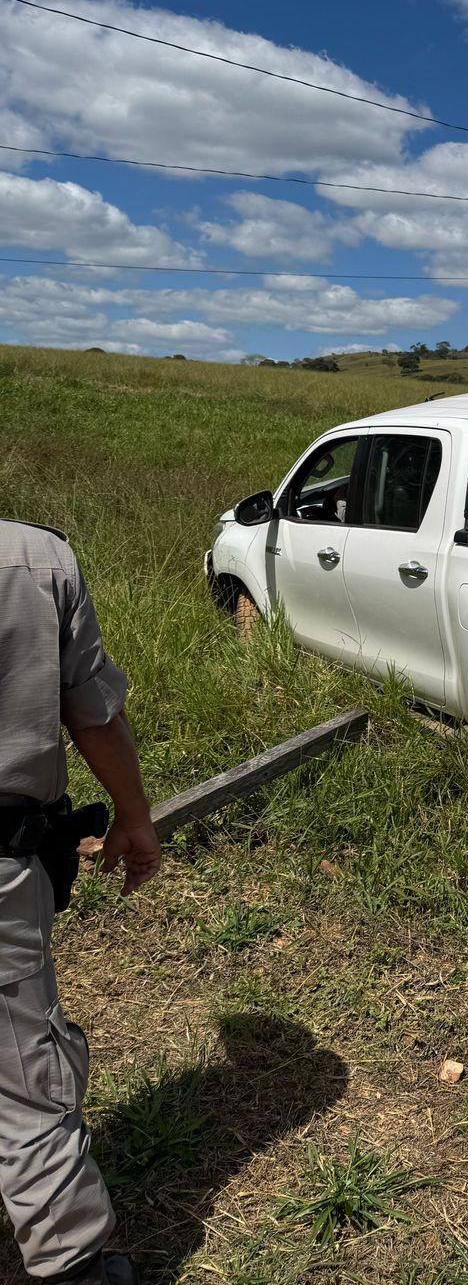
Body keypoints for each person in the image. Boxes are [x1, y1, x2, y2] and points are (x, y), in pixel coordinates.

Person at [0, 519, 162, 1284]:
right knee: (25, 1075)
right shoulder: (32, 559)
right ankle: (70, 1265)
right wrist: (133, 817)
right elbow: (91, 711)